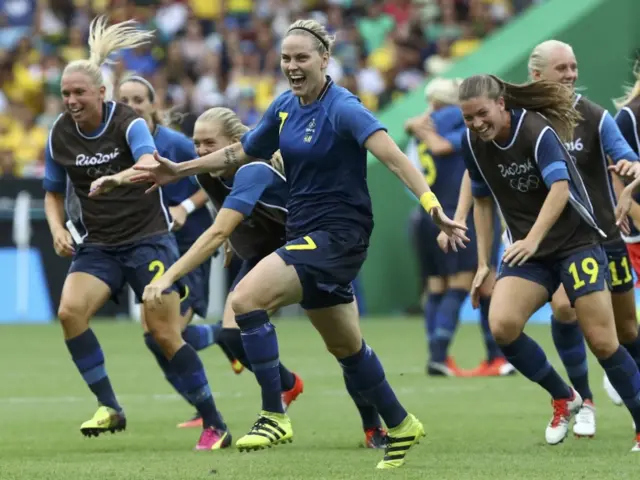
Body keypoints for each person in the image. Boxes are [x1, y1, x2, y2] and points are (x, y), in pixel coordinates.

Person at [131, 18, 467, 470]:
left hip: (338, 234)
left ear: (325, 59)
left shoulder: (343, 107)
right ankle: (399, 423)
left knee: (245, 298)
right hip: (307, 234)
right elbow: (241, 150)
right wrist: (180, 169)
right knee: (348, 348)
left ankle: (273, 413)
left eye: (302, 57)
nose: (292, 65)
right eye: (286, 58)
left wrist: (431, 205)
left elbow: (392, 156)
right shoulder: (285, 107)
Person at [143, 106, 388, 448]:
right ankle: (283, 392)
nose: (199, 151)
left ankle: (373, 426)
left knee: (345, 348)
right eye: (196, 143)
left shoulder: (253, 169)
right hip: (265, 255)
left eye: (208, 143)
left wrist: (168, 276)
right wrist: (234, 239)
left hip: (310, 253)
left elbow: (217, 229)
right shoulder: (207, 174)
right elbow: (225, 215)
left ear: (236, 143)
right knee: (231, 335)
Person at [43, 16, 230, 451]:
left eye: (79, 93)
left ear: (101, 94)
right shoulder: (58, 135)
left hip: (148, 238)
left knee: (162, 333)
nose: (71, 100)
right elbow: (52, 193)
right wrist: (55, 228)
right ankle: (110, 407)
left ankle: (215, 422)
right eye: (65, 93)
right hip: (99, 246)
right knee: (70, 313)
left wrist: (115, 180)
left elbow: (150, 165)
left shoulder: (128, 122)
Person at [460, 73, 640, 451]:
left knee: (604, 342)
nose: (476, 124)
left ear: (501, 105)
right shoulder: (473, 144)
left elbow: (560, 190)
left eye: (481, 114)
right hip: (530, 253)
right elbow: (481, 200)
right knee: (503, 326)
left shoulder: (537, 131)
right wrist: (483, 264)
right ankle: (564, 396)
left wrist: (532, 239)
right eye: (467, 119)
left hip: (577, 243)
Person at [526, 40, 640, 437]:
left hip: (607, 236)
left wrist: (630, 166)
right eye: (563, 68)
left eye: (574, 66)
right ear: (537, 74)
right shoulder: (524, 121)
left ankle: (633, 408)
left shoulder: (595, 117)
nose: (572, 74)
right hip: (560, 243)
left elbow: (628, 157)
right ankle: (585, 401)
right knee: (563, 308)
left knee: (626, 331)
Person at [116, 76, 244, 430]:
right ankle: (202, 400)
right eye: (124, 99)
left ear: (153, 104)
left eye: (138, 99)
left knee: (165, 334)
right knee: (154, 337)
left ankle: (218, 351)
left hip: (189, 246)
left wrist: (185, 205)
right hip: (153, 249)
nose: (132, 106)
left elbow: (212, 175)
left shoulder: (173, 143)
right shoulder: (119, 146)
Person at [405, 77, 511, 377]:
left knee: (437, 287)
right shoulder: (459, 118)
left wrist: (414, 124)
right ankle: (478, 357)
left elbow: (417, 132)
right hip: (456, 210)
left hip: (426, 212)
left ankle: (442, 353)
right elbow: (443, 146)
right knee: (469, 283)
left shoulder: (420, 125)